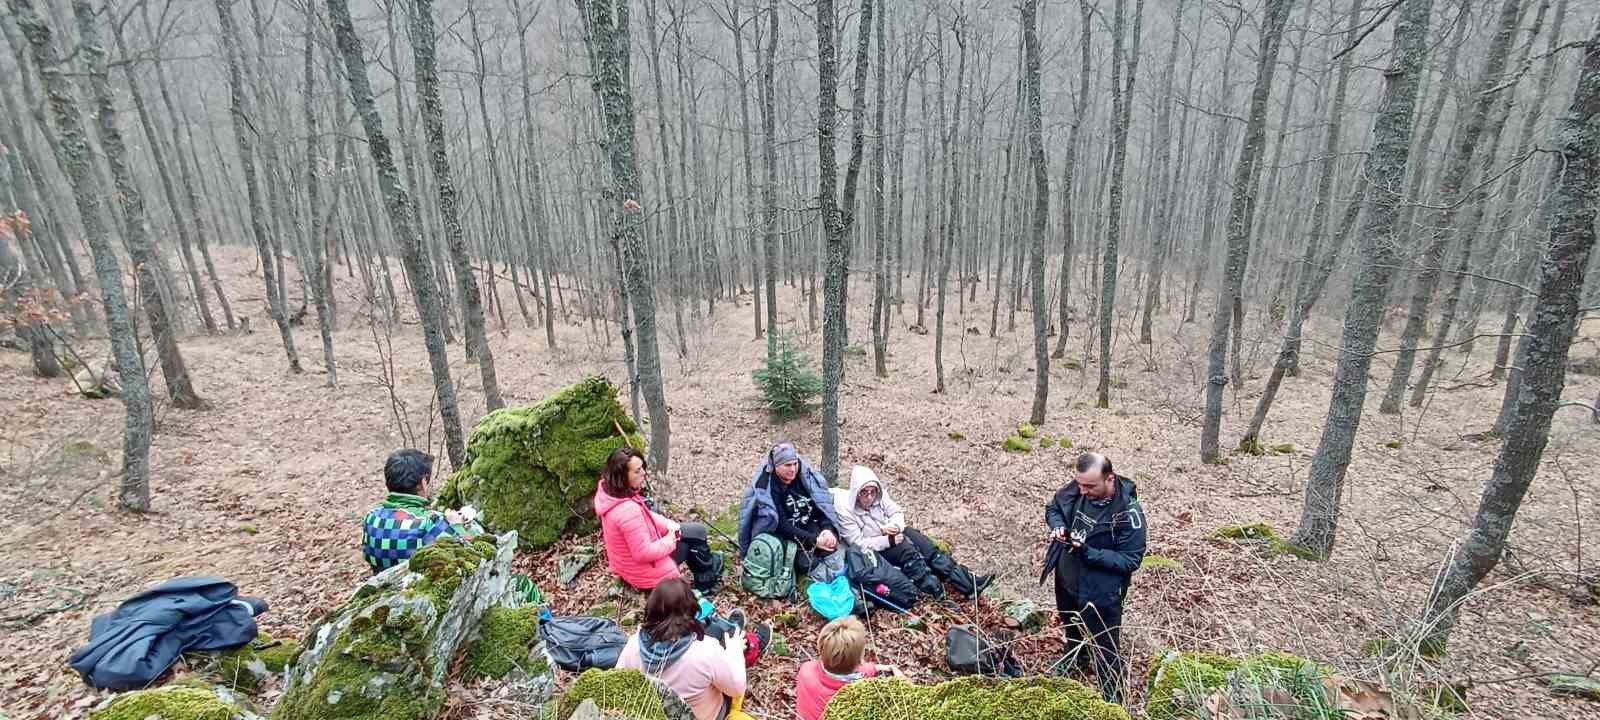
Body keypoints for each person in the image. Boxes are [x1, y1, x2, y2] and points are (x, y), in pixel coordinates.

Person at [1039, 452, 1147, 702]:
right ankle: (1076, 659)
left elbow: (1131, 560)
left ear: (1109, 479)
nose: (1082, 491)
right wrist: (1057, 526)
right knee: (1071, 627)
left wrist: (1088, 552)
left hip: (1101, 592)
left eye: (1089, 486)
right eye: (1079, 484)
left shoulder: (1129, 513)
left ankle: (1113, 699)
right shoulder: (1079, 487)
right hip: (1067, 578)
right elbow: (1053, 507)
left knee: (1106, 647)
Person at [617, 578, 771, 720]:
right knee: (727, 643)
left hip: (654, 713)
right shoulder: (704, 651)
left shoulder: (634, 645)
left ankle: (731, 631)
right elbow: (736, 689)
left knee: (714, 633)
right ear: (692, 610)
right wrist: (735, 651)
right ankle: (749, 644)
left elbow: (617, 682)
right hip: (709, 715)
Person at [832, 465, 993, 599]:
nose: (869, 497)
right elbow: (857, 543)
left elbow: (896, 512)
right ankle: (937, 595)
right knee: (908, 553)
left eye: (872, 492)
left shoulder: (880, 497)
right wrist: (887, 541)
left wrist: (896, 526)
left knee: (926, 545)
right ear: (856, 492)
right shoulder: (846, 510)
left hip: (891, 535)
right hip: (874, 550)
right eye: (864, 492)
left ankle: (969, 584)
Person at [596, 447, 725, 593]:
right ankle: (706, 582)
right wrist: (670, 540)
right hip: (644, 572)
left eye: (642, 468)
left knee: (694, 532)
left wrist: (670, 525)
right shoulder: (627, 510)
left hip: (630, 566)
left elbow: (646, 515)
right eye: (637, 471)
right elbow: (643, 553)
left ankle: (706, 567)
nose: (644, 473)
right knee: (695, 537)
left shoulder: (612, 495)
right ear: (622, 476)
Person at [736, 442, 846, 580]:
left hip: (807, 525)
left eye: (795, 464)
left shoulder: (805, 479)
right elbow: (781, 525)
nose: (793, 469)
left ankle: (843, 578)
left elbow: (821, 509)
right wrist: (813, 541)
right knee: (805, 562)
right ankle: (830, 581)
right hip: (785, 535)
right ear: (776, 466)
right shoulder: (768, 489)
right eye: (787, 465)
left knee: (830, 547)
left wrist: (827, 529)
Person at [362, 448, 477, 573]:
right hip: (416, 589)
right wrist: (457, 525)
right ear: (423, 483)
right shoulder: (430, 522)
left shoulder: (371, 518)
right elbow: (473, 552)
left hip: (382, 588)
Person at [793, 616, 903, 720]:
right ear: (860, 659)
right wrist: (901, 683)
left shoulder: (806, 669)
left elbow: (859, 671)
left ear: (820, 648)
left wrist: (875, 668)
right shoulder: (859, 696)